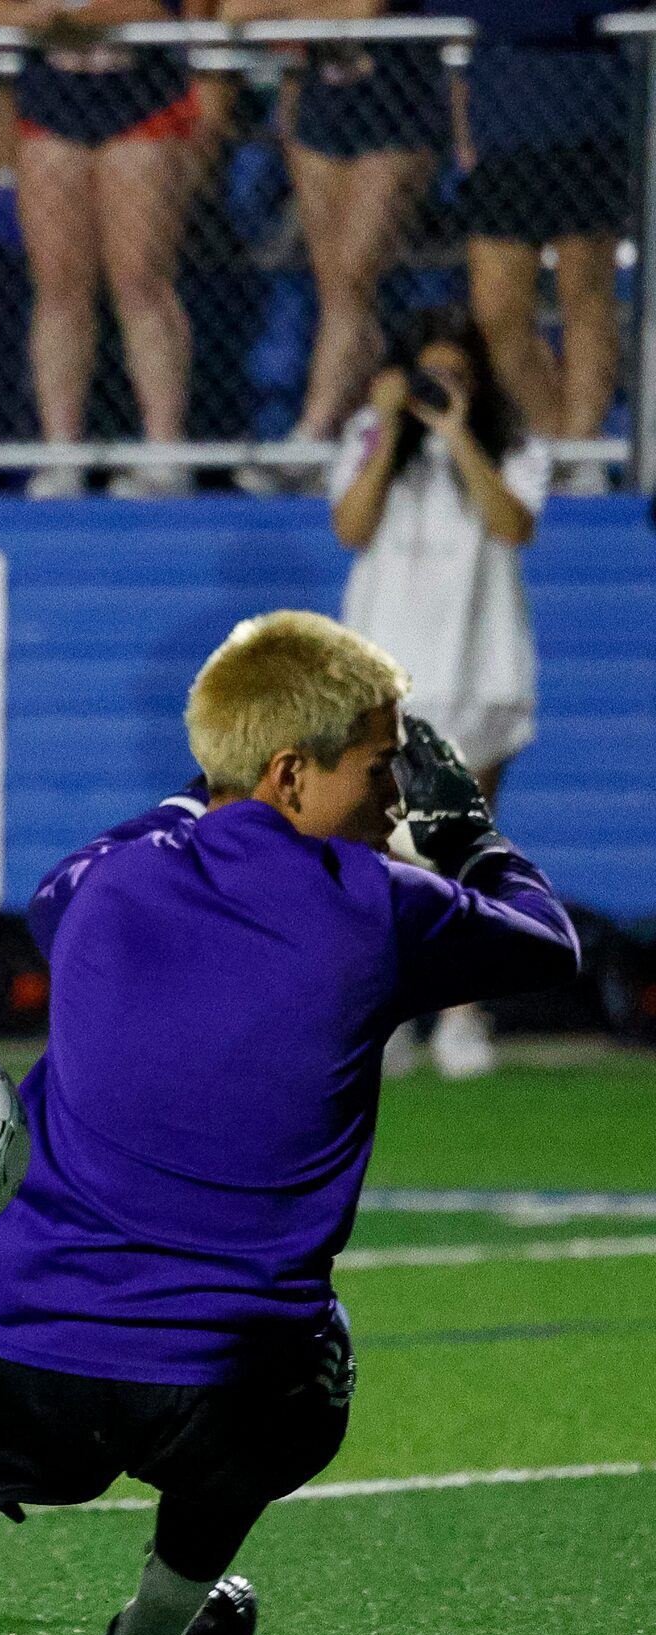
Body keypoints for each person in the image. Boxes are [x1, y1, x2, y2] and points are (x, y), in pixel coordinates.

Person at [0, 611, 579, 1635]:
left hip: (43, 1350)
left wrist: (209, 784)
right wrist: (467, 834)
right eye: (381, 766)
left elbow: (91, 872)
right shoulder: (376, 906)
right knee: (310, 1360)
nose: (398, 792)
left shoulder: (99, 882)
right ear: (290, 773)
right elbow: (545, 943)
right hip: (232, 1381)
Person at [330, 310, 542, 1080]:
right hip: (388, 678)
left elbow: (514, 525)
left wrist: (459, 437)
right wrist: (389, 429)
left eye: (457, 374)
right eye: (430, 374)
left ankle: (460, 1016)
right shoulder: (370, 436)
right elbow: (351, 526)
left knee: (462, 849)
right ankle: (391, 1012)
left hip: (481, 668)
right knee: (386, 853)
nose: (441, 389)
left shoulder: (511, 445)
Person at [0, 0, 195, 497]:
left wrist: (64, 21)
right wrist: (63, 24)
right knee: (58, 291)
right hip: (51, 102)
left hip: (141, 99)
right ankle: (62, 453)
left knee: (142, 282)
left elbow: (154, 12)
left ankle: (166, 449)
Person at [222, 0, 441, 488]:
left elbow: (361, 10)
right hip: (318, 108)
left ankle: (313, 432)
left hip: (397, 104)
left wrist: (289, 12)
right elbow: (233, 12)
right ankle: (362, 437)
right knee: (338, 292)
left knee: (353, 278)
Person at [433, 0, 625, 494]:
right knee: (496, 311)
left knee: (584, 298)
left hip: (589, 115)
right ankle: (555, 443)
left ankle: (581, 454)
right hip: (501, 126)